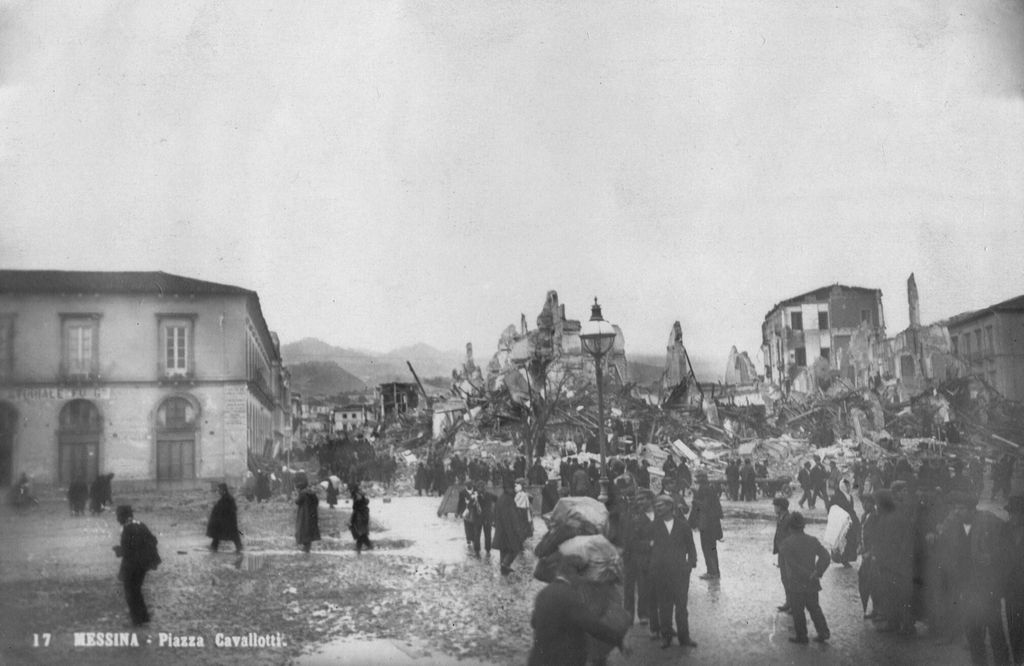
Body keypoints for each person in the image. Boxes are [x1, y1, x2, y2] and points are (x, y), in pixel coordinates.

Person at [938, 491, 1009, 665]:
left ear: (972, 509)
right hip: (966, 589)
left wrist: (992, 557)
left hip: (987, 589)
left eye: (961, 508)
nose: (956, 511)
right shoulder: (953, 525)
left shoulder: (989, 522)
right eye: (955, 507)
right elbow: (947, 550)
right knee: (973, 633)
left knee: (995, 632)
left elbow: (1007, 547)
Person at [527, 554, 629, 666]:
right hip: (564, 660)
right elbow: (591, 625)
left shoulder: (544, 593)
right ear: (573, 574)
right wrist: (618, 640)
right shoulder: (570, 596)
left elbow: (534, 622)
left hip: (539, 659)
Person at [650, 494, 698, 649]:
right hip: (661, 572)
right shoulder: (654, 526)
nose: (658, 508)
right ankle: (667, 636)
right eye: (656, 506)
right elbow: (648, 547)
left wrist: (690, 565)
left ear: (670, 507)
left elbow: (691, 548)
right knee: (664, 606)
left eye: (661, 505)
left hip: (680, 573)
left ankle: (685, 638)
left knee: (681, 607)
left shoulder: (683, 526)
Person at [779, 512, 831, 644]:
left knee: (798, 611)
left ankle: (802, 636)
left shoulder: (786, 544)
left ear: (790, 527)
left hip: (796, 583)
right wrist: (817, 572)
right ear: (803, 526)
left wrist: (808, 574)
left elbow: (792, 565)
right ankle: (823, 632)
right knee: (814, 608)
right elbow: (826, 556)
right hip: (812, 583)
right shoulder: (812, 540)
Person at [113, 505, 160, 627]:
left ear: (124, 516)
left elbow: (128, 550)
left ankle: (137, 620)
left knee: (131, 591)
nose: (117, 519)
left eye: (118, 516)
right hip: (143, 565)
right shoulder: (140, 524)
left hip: (133, 565)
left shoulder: (127, 529)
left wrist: (119, 550)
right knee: (136, 590)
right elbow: (154, 540)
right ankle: (143, 617)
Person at [689, 471, 723, 580]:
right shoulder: (709, 489)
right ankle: (714, 571)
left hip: (707, 525)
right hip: (711, 524)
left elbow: (705, 506)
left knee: (708, 549)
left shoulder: (704, 490)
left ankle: (712, 572)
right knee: (711, 549)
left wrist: (695, 500)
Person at [493, 479, 529, 576]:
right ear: (508, 489)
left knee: (503, 549)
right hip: (509, 530)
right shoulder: (509, 500)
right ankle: (505, 564)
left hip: (501, 530)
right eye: (512, 488)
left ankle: (503, 569)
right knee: (516, 548)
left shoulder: (501, 498)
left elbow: (496, 513)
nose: (514, 489)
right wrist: (518, 530)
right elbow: (513, 517)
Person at [1004, 494, 1024, 666]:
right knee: (1013, 624)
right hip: (1011, 587)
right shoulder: (1005, 529)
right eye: (1011, 513)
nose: (1013, 517)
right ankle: (1017, 658)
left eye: (1017, 513)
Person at [206, 483, 243, 552]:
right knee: (218, 536)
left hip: (227, 522)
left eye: (219, 490)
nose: (218, 491)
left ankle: (239, 548)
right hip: (224, 522)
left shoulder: (227, 499)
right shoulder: (225, 498)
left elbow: (229, 510)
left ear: (223, 490)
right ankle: (213, 547)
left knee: (233, 536)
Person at [773, 497, 794, 612]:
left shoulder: (789, 519)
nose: (774, 508)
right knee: (784, 578)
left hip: (789, 554)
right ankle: (788, 602)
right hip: (782, 552)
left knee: (791, 579)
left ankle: (794, 605)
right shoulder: (780, 517)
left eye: (775, 506)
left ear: (780, 507)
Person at [294, 475, 320, 553]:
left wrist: (297, 495)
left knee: (302, 530)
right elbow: (316, 502)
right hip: (312, 515)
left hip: (304, 516)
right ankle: (307, 547)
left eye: (297, 489)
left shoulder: (302, 493)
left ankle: (306, 548)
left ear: (299, 488)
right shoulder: (312, 493)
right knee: (309, 531)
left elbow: (297, 502)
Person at [458, 481, 483, 555]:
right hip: (466, 511)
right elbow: (460, 502)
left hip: (474, 512)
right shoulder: (462, 492)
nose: (469, 486)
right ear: (466, 486)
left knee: (474, 525)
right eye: (467, 485)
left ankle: (474, 539)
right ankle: (468, 539)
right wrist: (459, 511)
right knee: (467, 526)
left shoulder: (476, 491)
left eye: (470, 485)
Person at [348, 482, 373, 553]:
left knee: (361, 533)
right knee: (362, 533)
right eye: (360, 487)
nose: (361, 488)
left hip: (360, 516)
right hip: (361, 516)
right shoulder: (358, 494)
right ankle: (365, 546)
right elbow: (360, 503)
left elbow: (356, 506)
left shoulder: (357, 494)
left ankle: (361, 547)